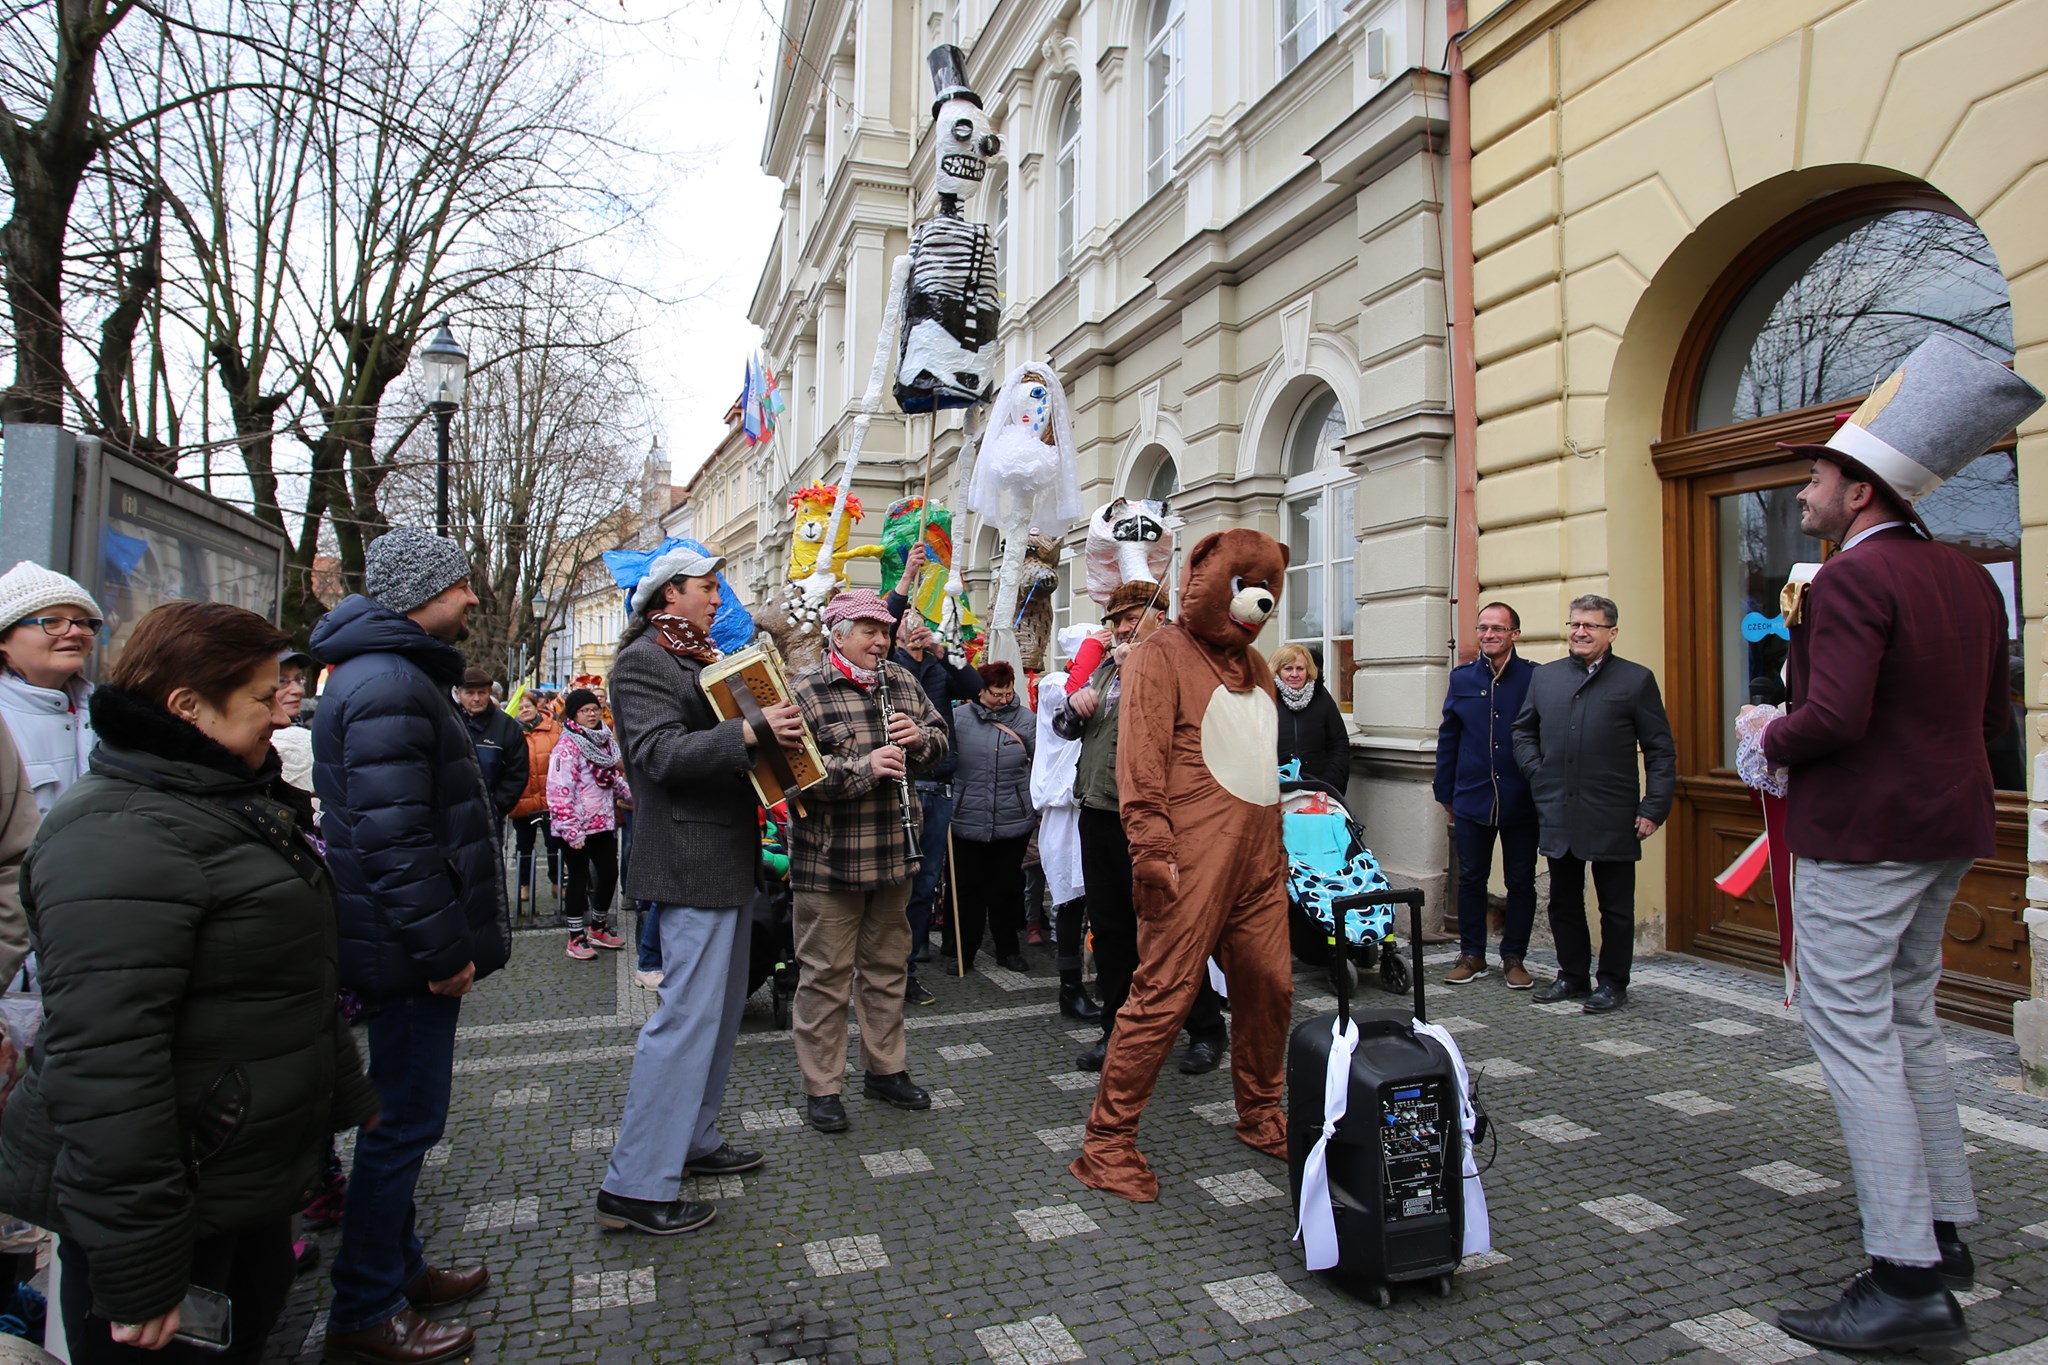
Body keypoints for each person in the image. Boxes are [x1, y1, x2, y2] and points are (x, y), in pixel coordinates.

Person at [1749, 337, 2041, 1352]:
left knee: (1853, 1033)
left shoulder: (1846, 582)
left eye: (1819, 477)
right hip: (1948, 828)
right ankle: (1941, 1232)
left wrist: (1764, 734)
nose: (1805, 493)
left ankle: (1906, 1277)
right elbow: (1991, 719)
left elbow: (1831, 719)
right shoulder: (1968, 579)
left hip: (1863, 835)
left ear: (1862, 492)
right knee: (1908, 1019)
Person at [0, 600, 377, 1364]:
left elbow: (280, 977)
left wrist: (344, 1093)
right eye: (264, 695)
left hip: (230, 1176)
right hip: (175, 1197)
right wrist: (139, 1267)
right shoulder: (120, 835)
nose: (285, 710)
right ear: (187, 706)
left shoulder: (221, 798)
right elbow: (106, 1067)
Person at [309, 527, 505, 1365]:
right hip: (405, 952)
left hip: (400, 942)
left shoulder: (389, 673)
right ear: (422, 591)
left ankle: (400, 1267)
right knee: (402, 1124)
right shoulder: (388, 681)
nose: (472, 597)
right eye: (460, 584)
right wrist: (441, 950)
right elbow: (396, 842)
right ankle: (366, 1306)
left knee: (405, 1118)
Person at [1070, 530, 1295, 1203]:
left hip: (1258, 860)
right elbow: (1138, 763)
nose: (1257, 601)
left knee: (1270, 985)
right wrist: (1151, 850)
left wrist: (1278, 846)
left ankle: (1261, 1109)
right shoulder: (1160, 654)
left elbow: (1262, 762)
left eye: (1267, 588)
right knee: (1161, 992)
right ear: (1203, 580)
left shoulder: (1258, 668)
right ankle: (1107, 1142)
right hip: (1190, 860)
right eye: (1243, 585)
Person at [595, 545, 804, 1237]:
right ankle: (633, 1184)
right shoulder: (644, 660)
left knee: (714, 1017)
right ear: (668, 595)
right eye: (707, 587)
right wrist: (749, 731)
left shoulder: (694, 656)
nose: (719, 598)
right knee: (685, 1020)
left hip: (724, 859)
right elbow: (657, 755)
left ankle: (692, 1138)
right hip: (691, 862)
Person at [784, 589, 948, 1134]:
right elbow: (791, 777)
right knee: (825, 977)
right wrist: (862, 767)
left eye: (885, 632)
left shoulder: (901, 680)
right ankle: (822, 1087)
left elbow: (942, 741)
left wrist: (920, 739)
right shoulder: (805, 689)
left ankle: (885, 1069)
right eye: (869, 632)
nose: (881, 642)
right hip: (830, 862)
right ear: (838, 635)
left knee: (886, 970)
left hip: (895, 854)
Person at [1055, 581, 1228, 1074]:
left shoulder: (1183, 665)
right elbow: (1065, 730)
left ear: (1160, 618)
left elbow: (1192, 730)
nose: (1124, 628)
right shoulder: (1107, 667)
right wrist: (1075, 707)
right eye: (1117, 621)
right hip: (1099, 811)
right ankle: (1117, 1032)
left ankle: (1205, 1029)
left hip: (1155, 819)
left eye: (1133, 618)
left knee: (1169, 929)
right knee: (1110, 931)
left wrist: (1141, 675)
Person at [1510, 594, 1675, 1014]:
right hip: (1558, 807)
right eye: (1575, 624)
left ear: (1612, 632)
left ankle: (1613, 983)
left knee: (1615, 907)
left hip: (1613, 811)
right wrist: (1537, 771)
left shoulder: (1636, 680)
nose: (1580, 632)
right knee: (1563, 900)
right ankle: (1572, 975)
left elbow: (1660, 750)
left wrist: (1654, 807)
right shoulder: (1545, 677)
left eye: (1590, 626)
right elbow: (1522, 731)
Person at [886, 544, 983, 1005]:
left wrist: (942, 651)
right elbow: (885, 618)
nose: (914, 624)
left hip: (939, 787)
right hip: (901, 785)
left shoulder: (939, 664)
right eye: (909, 618)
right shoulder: (889, 663)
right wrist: (907, 577)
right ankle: (886, 965)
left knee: (926, 880)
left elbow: (974, 687)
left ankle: (909, 960)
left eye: (919, 619)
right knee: (896, 879)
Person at [1432, 602, 1539, 988]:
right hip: (1471, 795)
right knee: (1471, 879)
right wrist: (1445, 791)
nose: (1489, 635)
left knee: (1520, 881)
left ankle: (1514, 957)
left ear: (1515, 634)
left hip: (1521, 798)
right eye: (1483, 628)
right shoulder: (1462, 679)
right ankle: (1472, 953)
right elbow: (1449, 737)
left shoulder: (1534, 678)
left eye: (1498, 628)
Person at [947, 661, 1037, 974]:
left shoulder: (1026, 720)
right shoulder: (958, 719)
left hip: (1013, 820)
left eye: (1007, 693)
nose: (1002, 699)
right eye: (996, 694)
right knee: (967, 890)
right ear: (980, 690)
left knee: (1007, 888)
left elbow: (1040, 764)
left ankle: (1008, 950)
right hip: (966, 818)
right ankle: (964, 952)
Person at [0, 561, 101, 816]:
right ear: (3, 638)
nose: (75, 632)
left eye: (83, 622)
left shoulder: (107, 714)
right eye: (53, 622)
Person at [1032, 639, 1097, 1022]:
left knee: (1103, 900)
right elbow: (1071, 697)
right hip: (1063, 815)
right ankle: (1070, 987)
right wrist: (1094, 649)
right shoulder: (1055, 686)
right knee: (1070, 901)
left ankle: (1107, 977)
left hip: (1097, 808)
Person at [549, 688, 630, 960]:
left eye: (595, 708)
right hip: (577, 827)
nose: (592, 714)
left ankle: (598, 926)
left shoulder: (603, 742)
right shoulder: (567, 747)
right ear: (574, 715)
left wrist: (634, 795)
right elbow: (559, 790)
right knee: (578, 878)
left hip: (602, 823)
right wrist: (571, 830)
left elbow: (611, 779)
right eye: (585, 710)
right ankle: (575, 937)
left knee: (608, 874)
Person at [508, 692, 563, 914]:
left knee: (554, 843)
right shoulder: (510, 732)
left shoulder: (554, 728)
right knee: (524, 845)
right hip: (523, 798)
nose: (524, 710)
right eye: (520, 708)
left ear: (536, 706)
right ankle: (524, 885)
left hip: (550, 798)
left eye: (527, 706)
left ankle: (557, 881)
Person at [1269, 642, 1349, 793]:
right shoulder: (1265, 699)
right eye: (1288, 668)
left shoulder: (1323, 699)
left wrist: (1330, 782)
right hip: (1274, 789)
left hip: (1318, 787)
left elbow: (1339, 744)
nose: (1294, 674)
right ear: (1277, 670)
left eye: (1300, 668)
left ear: (1308, 670)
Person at [456, 667, 527, 825]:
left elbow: (517, 772)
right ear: (458, 694)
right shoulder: (448, 722)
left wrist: (496, 808)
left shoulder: (507, 726)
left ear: (489, 693)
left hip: (488, 819)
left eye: (482, 693)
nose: (476, 698)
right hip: (451, 817)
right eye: (470, 693)